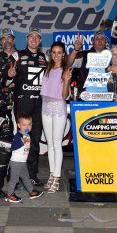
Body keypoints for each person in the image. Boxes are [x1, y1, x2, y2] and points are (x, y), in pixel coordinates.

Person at [8, 27, 47, 186]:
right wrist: (9, 76)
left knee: (35, 142)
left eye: (37, 37)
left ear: (40, 40)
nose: (34, 39)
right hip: (22, 103)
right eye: (31, 36)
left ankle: (32, 174)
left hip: (38, 104)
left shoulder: (44, 57)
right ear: (26, 39)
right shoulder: (17, 55)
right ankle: (15, 176)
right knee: (20, 140)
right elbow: (6, 79)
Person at [40, 41, 72, 193]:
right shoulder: (47, 69)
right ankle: (52, 175)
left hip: (59, 107)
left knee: (57, 144)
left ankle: (57, 179)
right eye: (54, 52)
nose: (56, 55)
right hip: (45, 107)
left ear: (63, 54)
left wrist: (66, 81)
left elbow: (65, 96)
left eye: (59, 52)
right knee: (50, 144)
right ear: (50, 54)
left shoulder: (65, 70)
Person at [4, 113, 45, 202]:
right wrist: (22, 142)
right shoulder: (18, 136)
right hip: (16, 162)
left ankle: (31, 192)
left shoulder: (27, 135)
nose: (27, 127)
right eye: (24, 125)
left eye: (29, 124)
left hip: (22, 162)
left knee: (26, 177)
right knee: (14, 179)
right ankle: (9, 194)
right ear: (18, 125)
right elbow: (13, 147)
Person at [67, 30, 108, 97]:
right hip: (86, 95)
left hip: (107, 95)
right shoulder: (85, 55)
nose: (100, 40)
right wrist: (76, 49)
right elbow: (68, 64)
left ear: (105, 41)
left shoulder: (111, 56)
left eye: (102, 38)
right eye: (97, 38)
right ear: (93, 42)